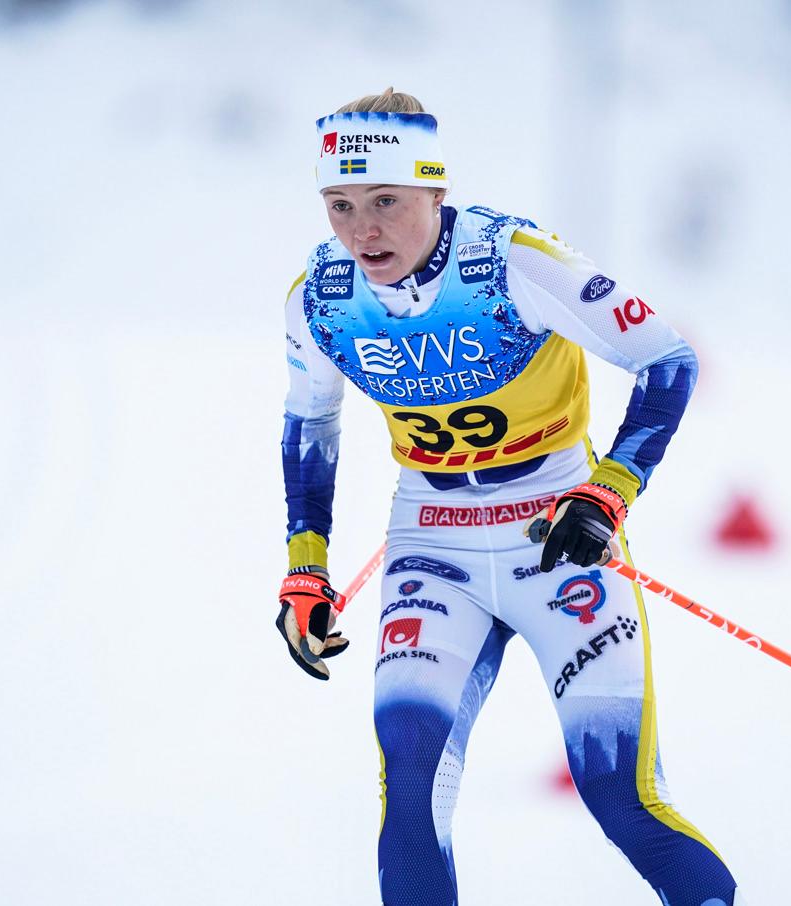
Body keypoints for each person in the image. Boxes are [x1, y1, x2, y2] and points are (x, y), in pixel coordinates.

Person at [276, 88, 739, 906]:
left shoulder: (509, 262)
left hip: (554, 530)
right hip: (433, 542)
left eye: (386, 201)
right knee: (411, 793)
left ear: (434, 192)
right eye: (340, 205)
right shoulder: (320, 298)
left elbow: (668, 361)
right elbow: (311, 428)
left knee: (622, 798)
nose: (362, 230)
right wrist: (305, 571)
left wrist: (607, 494)